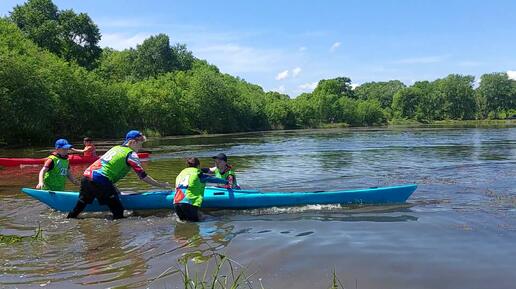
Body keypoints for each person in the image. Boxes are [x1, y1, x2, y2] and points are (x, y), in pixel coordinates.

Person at [67, 130, 170, 219]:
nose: (141, 145)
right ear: (133, 142)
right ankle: (113, 236)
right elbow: (143, 176)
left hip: (86, 177)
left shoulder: (115, 148)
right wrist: (161, 185)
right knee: (118, 211)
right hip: (99, 180)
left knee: (79, 207)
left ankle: (70, 218)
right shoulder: (131, 154)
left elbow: (106, 169)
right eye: (140, 142)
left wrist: (115, 190)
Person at [174, 157, 228, 222]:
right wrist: (226, 181)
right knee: (194, 226)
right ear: (198, 166)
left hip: (176, 203)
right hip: (189, 203)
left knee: (182, 224)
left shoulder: (181, 174)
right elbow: (213, 179)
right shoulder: (199, 174)